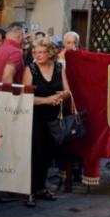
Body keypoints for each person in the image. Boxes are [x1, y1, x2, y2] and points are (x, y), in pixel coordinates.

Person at [22, 37, 71, 207]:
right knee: (36, 153)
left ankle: (41, 188)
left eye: (42, 52)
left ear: (50, 53)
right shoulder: (31, 69)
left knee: (49, 153)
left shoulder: (59, 67)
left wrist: (61, 96)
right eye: (35, 52)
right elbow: (25, 97)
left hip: (54, 117)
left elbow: (67, 91)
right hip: (35, 116)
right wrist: (47, 100)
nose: (38, 55)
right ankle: (30, 191)